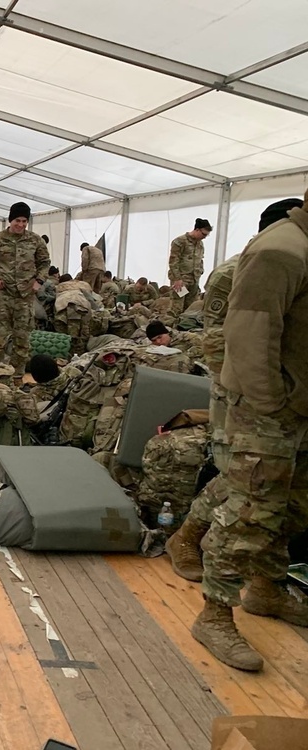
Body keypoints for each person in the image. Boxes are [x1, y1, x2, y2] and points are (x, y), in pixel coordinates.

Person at [191, 190, 308, 673]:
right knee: (250, 513)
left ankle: (268, 587)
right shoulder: (281, 249)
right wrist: (272, 402)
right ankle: (215, 612)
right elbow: (248, 335)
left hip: (298, 406)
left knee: (293, 507)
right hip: (268, 411)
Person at [169, 198, 304, 584]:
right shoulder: (234, 271)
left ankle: (263, 576)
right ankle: (189, 536)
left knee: (276, 485)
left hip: (279, 392)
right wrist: (253, 393)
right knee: (239, 474)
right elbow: (216, 337)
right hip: (243, 390)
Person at [0, 201, 51, 379]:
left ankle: (17, 378)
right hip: (1, 298)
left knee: (22, 341)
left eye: (24, 221)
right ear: (10, 220)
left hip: (24, 298)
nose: (21, 225)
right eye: (17, 220)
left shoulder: (35, 240)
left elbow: (45, 263)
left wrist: (38, 281)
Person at [169, 218, 211, 312]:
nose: (204, 237)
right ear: (197, 230)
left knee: (191, 308)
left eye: (207, 235)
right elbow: (173, 261)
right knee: (177, 307)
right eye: (203, 234)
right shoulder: (180, 241)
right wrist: (177, 279)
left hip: (194, 280)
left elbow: (200, 259)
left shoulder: (200, 244)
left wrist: (200, 271)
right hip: (181, 280)